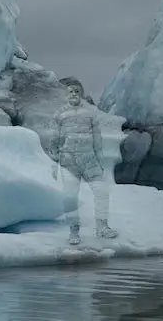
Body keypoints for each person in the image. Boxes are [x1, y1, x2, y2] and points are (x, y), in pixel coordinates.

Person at [50, 80, 118, 245]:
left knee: (101, 191)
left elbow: (97, 138)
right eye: (71, 92)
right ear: (66, 95)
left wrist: (100, 161)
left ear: (81, 94)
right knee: (70, 197)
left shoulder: (90, 113)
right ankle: (74, 231)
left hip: (89, 159)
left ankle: (102, 227)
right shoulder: (59, 114)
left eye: (77, 92)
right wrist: (54, 164)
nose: (74, 94)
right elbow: (54, 141)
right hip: (68, 161)